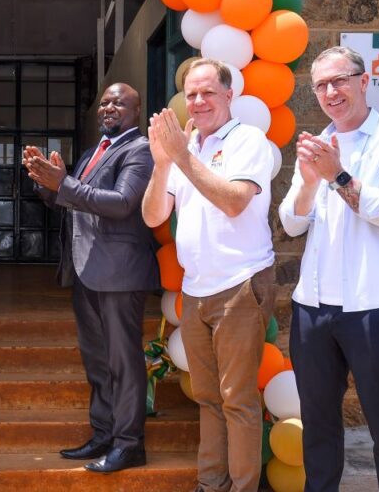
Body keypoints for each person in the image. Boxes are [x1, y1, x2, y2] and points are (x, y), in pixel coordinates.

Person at [278, 46, 379, 491]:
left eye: (339, 80)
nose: (330, 92)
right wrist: (308, 183)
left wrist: (338, 176)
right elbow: (290, 222)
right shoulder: (318, 144)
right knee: (318, 427)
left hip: (375, 308)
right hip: (313, 309)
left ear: (364, 82)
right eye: (321, 85)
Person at [141, 58, 275, 492]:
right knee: (208, 399)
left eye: (208, 93)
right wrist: (163, 164)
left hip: (240, 284)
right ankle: (209, 484)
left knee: (237, 400)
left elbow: (235, 201)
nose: (198, 102)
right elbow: (153, 215)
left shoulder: (247, 140)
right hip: (197, 289)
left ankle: (241, 487)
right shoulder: (188, 147)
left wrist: (181, 155)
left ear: (229, 95)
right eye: (191, 94)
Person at [22, 83, 159, 473]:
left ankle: (130, 444)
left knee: (124, 362)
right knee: (97, 362)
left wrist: (63, 184)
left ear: (136, 110)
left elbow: (121, 203)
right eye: (104, 102)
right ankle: (103, 434)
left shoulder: (140, 150)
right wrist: (45, 183)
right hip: (86, 271)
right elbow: (71, 200)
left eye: (119, 102)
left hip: (120, 274)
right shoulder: (92, 151)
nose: (109, 108)